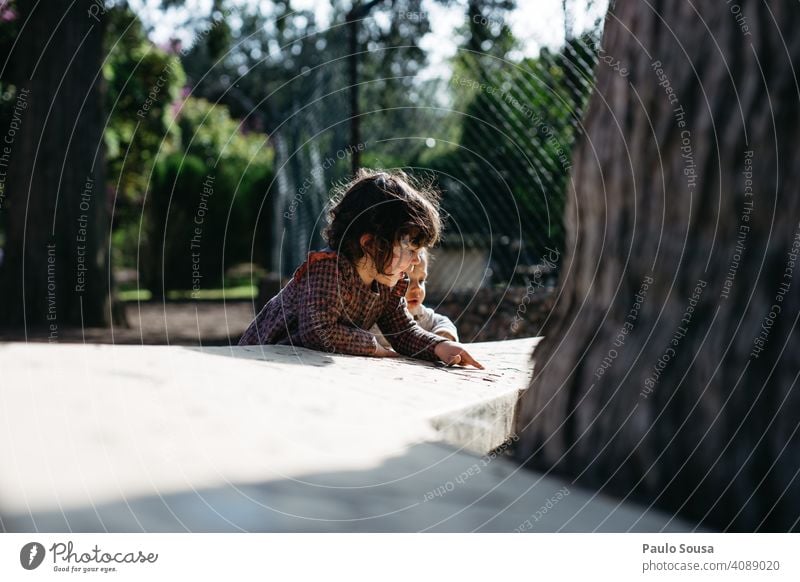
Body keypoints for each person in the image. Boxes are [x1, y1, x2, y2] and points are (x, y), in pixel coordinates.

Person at [239, 169, 483, 369]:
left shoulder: (387, 283)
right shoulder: (330, 270)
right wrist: (374, 347)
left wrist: (438, 346)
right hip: (263, 361)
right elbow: (318, 331)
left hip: (302, 368)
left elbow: (403, 330)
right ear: (371, 244)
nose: (417, 261)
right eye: (411, 248)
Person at [370, 248, 458, 348]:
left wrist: (442, 335)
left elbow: (442, 321)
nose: (417, 289)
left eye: (421, 280)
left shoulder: (419, 314)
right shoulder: (375, 311)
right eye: (407, 280)